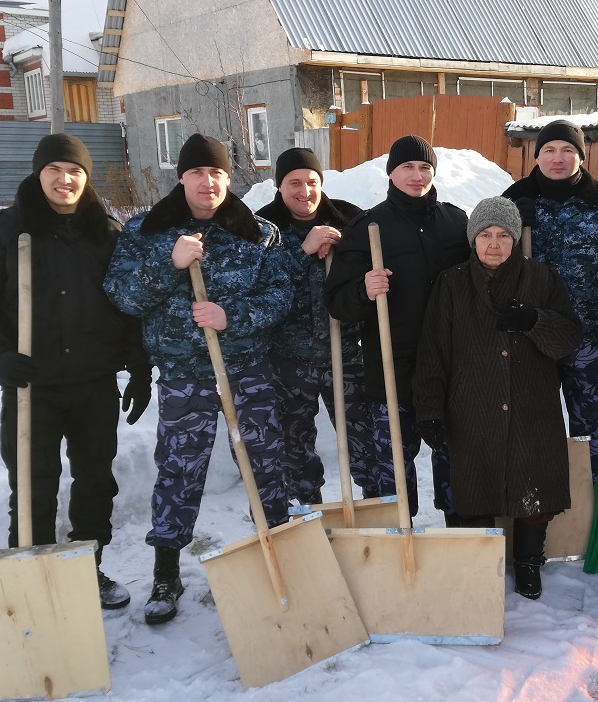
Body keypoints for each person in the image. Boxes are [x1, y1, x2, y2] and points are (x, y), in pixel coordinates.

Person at [0, 133, 151, 611]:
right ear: (38, 173)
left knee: (95, 480)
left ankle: (87, 565)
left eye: (76, 171)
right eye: (55, 170)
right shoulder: (2, 233)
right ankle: (34, 569)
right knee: (31, 482)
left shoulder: (106, 235)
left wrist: (139, 367)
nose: (66, 180)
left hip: (93, 383)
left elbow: (130, 308)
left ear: (86, 177)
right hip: (30, 386)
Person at [105, 133, 293, 625]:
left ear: (228, 178)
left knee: (264, 464)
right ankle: (166, 572)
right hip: (185, 375)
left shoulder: (259, 233)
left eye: (216, 173)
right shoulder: (148, 231)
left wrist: (233, 318)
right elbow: (123, 297)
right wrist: (170, 264)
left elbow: (280, 297)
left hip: (246, 371)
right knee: (180, 469)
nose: (207, 183)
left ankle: (276, 553)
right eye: (197, 173)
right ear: (181, 177)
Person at [413, 197, 581, 598]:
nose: (494, 244)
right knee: (474, 485)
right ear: (473, 239)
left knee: (534, 484)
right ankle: (479, 565)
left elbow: (569, 339)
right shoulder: (451, 284)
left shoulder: (542, 279)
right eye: (486, 234)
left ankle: (527, 562)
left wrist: (535, 320)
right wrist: (430, 411)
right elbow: (433, 351)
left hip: (531, 402)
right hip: (472, 403)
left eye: (503, 235)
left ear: (515, 240)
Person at [325, 135, 469, 521]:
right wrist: (363, 290)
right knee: (394, 464)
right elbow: (336, 302)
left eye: (424, 167)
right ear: (391, 172)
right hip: (391, 367)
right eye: (407, 166)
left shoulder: (456, 223)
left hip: (448, 369)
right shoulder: (369, 226)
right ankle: (401, 532)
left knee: (455, 461)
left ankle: (460, 533)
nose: (416, 175)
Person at [502, 121, 598, 480]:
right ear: (537, 155)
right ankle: (537, 510)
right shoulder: (513, 200)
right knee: (530, 431)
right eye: (549, 150)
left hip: (585, 339)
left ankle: (593, 503)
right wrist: (512, 229)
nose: (558, 158)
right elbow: (487, 262)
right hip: (530, 338)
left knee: (590, 430)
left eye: (567, 150)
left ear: (581, 155)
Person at [255, 148, 377, 505]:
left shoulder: (350, 220)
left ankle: (374, 503)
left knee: (364, 437)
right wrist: (302, 251)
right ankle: (310, 510)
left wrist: (348, 252)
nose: (304, 191)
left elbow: (368, 276)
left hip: (346, 354)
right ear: (279, 186)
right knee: (295, 444)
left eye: (312, 182)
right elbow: (259, 286)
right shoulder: (262, 230)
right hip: (289, 360)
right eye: (294, 182)